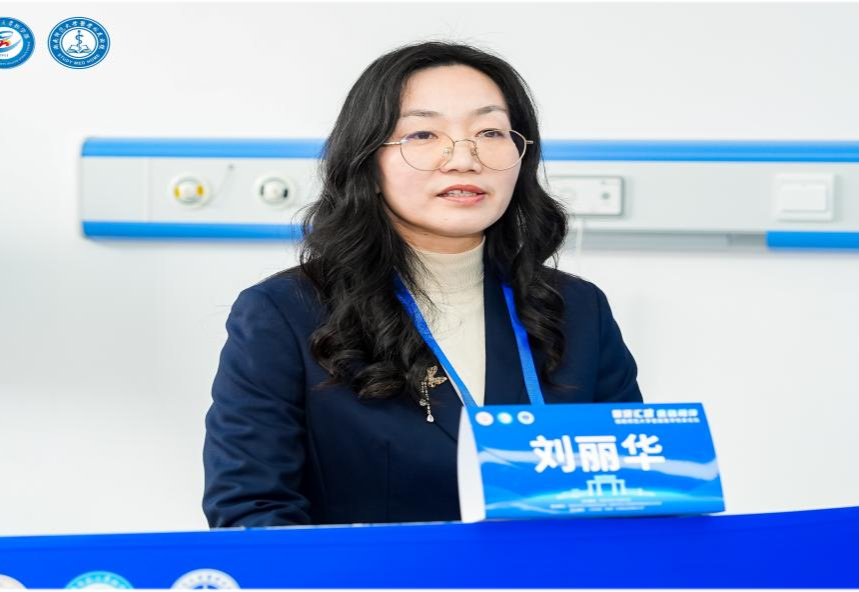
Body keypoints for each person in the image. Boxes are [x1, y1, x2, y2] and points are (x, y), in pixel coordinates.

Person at [202, 41, 643, 528]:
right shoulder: (286, 312)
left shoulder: (576, 307)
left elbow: (633, 497)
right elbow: (252, 511)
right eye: (424, 134)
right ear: (368, 164)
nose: (464, 159)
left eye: (490, 132)